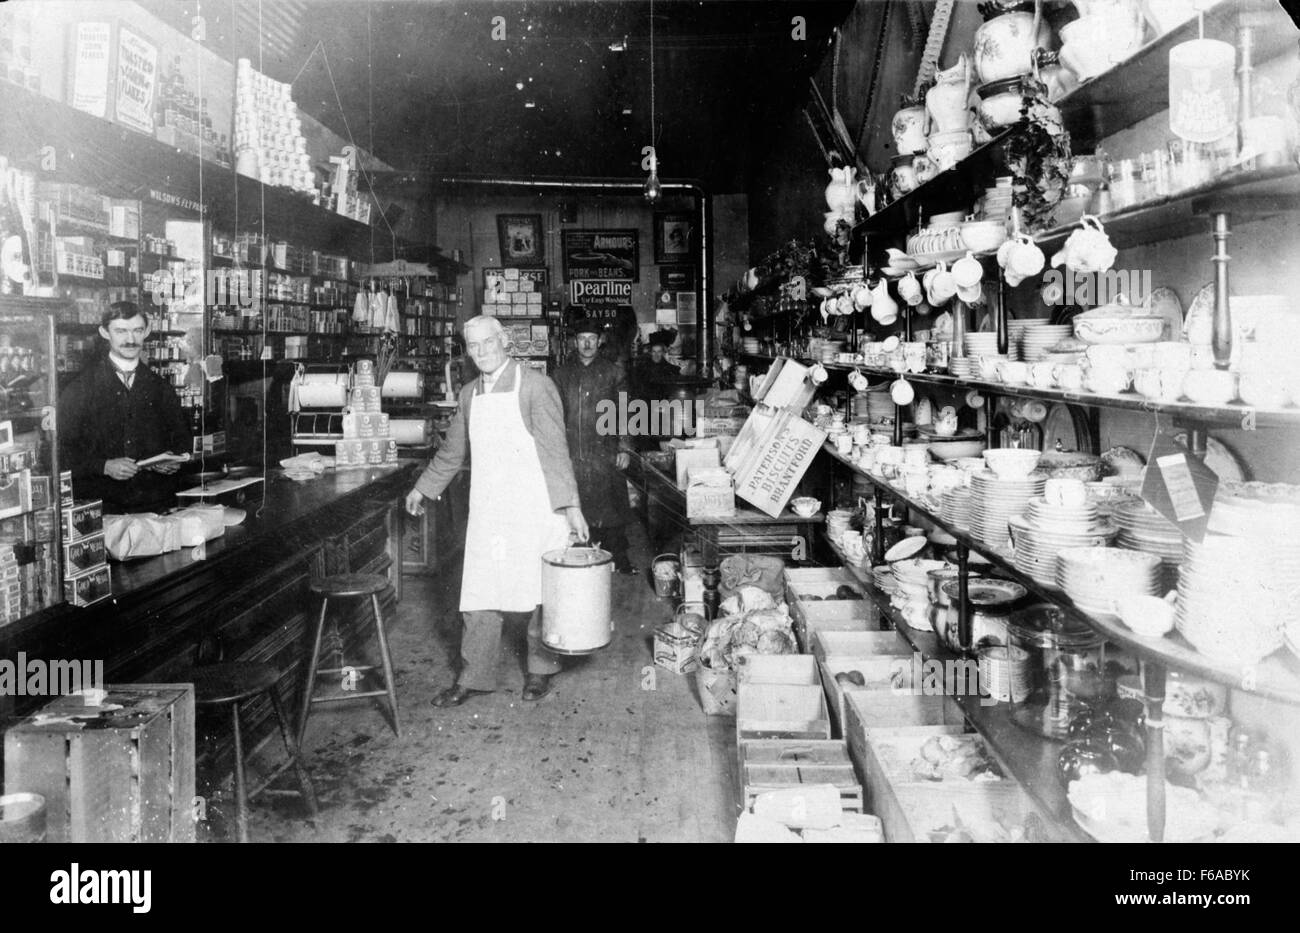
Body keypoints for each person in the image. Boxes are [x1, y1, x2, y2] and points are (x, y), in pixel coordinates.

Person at [405, 315, 589, 707]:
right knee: (479, 591)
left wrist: (570, 507)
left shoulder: (536, 387)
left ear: (504, 340)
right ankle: (474, 677)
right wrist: (424, 487)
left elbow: (555, 451)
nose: (482, 352)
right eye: (473, 346)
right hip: (490, 510)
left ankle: (540, 671)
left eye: (488, 342)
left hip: (536, 508)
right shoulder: (470, 394)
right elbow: (453, 451)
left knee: (539, 592)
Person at [58, 301, 191, 514]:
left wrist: (174, 460)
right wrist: (104, 466)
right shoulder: (79, 388)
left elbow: (183, 440)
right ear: (104, 332)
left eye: (137, 330)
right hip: (102, 509)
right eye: (121, 331)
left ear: (147, 331)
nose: (130, 340)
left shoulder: (161, 387)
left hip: (155, 506)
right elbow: (59, 453)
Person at [552, 315, 637, 575]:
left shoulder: (614, 372)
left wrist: (624, 447)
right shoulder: (561, 374)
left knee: (610, 506)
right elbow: (553, 414)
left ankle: (617, 559)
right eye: (581, 339)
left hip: (605, 450)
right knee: (577, 502)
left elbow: (625, 411)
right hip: (572, 448)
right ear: (574, 342)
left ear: (600, 341)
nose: (587, 344)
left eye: (591, 339)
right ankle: (580, 558)